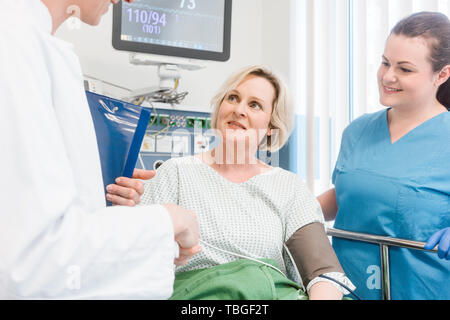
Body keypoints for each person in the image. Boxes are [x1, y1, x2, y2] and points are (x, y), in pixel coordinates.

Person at [0, 0, 200, 299]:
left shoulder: (37, 46)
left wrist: (94, 182)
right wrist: (169, 220)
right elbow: (33, 266)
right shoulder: (14, 42)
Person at [108, 65, 356, 300]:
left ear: (271, 126)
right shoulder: (176, 173)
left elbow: (323, 272)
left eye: (255, 105)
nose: (239, 110)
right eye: (233, 98)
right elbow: (139, 261)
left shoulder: (288, 187)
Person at [317, 12, 450, 300]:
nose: (388, 76)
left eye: (405, 69)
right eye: (385, 62)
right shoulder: (358, 130)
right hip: (345, 291)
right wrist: (285, 212)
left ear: (442, 74)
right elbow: (346, 195)